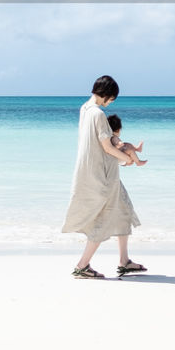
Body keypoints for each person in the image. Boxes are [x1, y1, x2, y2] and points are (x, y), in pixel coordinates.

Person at [61, 75, 145, 279]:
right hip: (102, 175)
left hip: (100, 172)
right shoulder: (97, 114)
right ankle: (82, 266)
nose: (112, 103)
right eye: (112, 98)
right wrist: (127, 159)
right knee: (103, 220)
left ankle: (124, 261)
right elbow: (107, 147)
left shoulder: (85, 109)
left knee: (124, 210)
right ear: (107, 95)